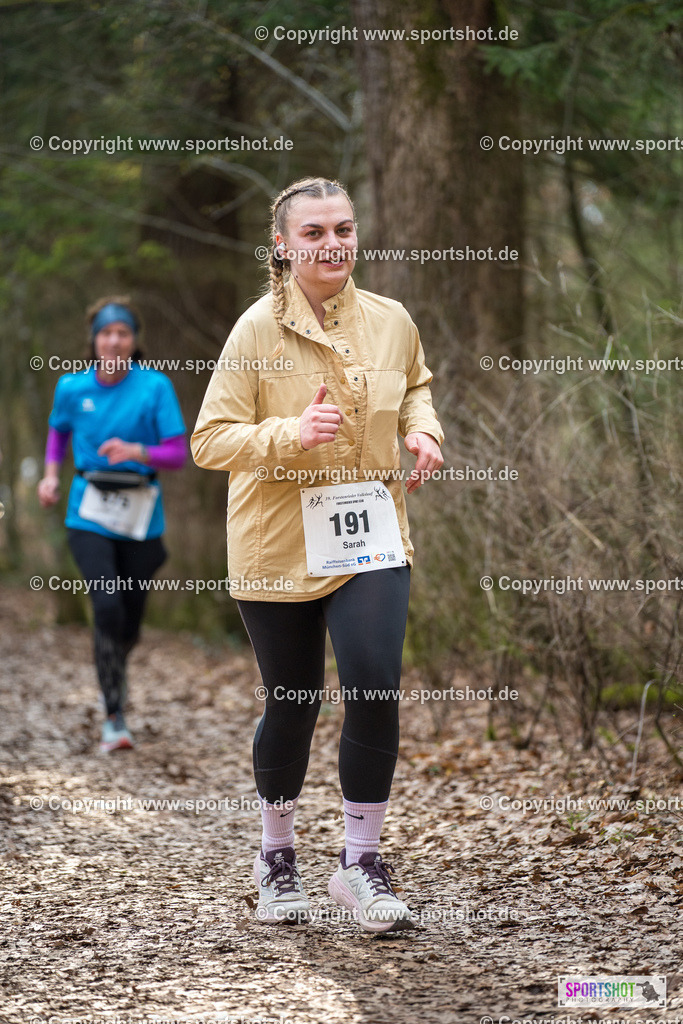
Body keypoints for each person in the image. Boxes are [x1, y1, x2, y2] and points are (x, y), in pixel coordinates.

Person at [191, 177, 444, 933]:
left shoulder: (390, 320)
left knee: (372, 683)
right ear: (283, 246)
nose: (332, 244)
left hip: (371, 533)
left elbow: (416, 387)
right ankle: (276, 857)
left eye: (342, 229)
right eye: (314, 234)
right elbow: (210, 440)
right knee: (292, 700)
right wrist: (286, 436)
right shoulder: (253, 332)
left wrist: (422, 431)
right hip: (276, 541)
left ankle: (360, 865)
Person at [37, 297, 186, 753]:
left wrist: (137, 451)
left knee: (129, 625)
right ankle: (114, 718)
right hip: (88, 511)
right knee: (106, 606)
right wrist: (49, 474)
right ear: (94, 339)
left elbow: (179, 453)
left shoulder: (154, 387)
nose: (114, 340)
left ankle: (112, 668)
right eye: (106, 332)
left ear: (134, 340)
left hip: (141, 513)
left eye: (123, 332)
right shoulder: (71, 386)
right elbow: (59, 430)